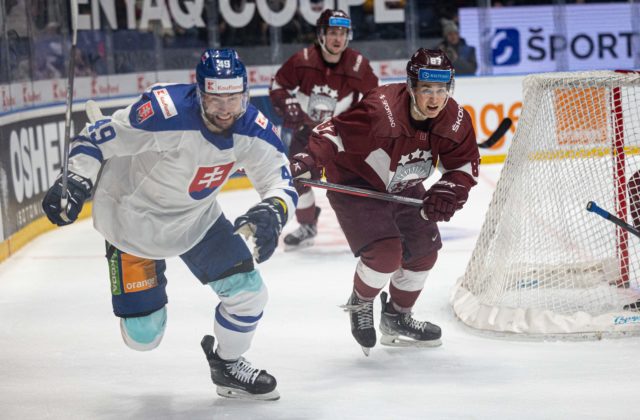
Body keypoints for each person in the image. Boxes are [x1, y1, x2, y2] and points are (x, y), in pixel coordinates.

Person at [41, 48, 297, 400]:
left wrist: (274, 209)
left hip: (197, 221)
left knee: (250, 295)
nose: (225, 109)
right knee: (143, 337)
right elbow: (96, 136)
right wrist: (76, 177)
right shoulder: (164, 113)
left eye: (234, 98)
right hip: (133, 223)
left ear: (245, 93)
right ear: (200, 93)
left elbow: (280, 180)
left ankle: (227, 364)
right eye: (215, 99)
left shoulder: (253, 128)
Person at [289, 48, 480, 355]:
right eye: (427, 90)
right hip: (356, 182)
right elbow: (334, 132)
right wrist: (310, 158)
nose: (435, 99)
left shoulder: (455, 119)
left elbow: (462, 167)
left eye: (442, 90)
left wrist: (449, 190)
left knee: (424, 252)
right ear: (411, 86)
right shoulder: (381, 111)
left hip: (404, 185)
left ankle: (397, 318)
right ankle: (361, 302)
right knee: (385, 253)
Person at [269, 8, 378, 249]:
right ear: (321, 34)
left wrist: (362, 124)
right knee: (297, 178)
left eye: (342, 32)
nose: (338, 38)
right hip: (308, 134)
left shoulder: (358, 65)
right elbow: (278, 85)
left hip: (343, 137)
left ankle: (373, 228)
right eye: (332, 32)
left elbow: (376, 99)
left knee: (359, 183)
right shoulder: (303, 61)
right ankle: (307, 224)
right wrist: (287, 104)